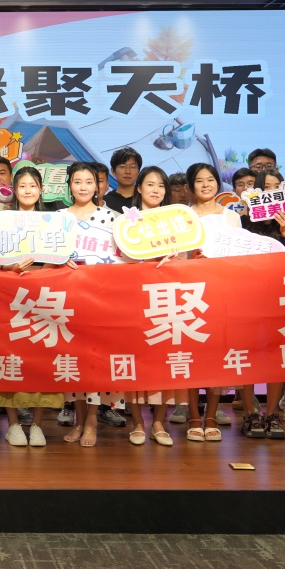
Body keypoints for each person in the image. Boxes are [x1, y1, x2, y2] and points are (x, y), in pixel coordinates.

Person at [0, 166, 66, 447]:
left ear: (41, 190)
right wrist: (10, 267)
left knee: (42, 358)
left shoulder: (54, 220)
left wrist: (46, 269)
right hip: (10, 294)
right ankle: (13, 424)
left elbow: (61, 255)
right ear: (14, 190)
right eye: (22, 186)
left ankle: (37, 423)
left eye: (33, 186)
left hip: (44, 294)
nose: (28, 191)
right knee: (8, 356)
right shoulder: (1, 220)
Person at [57, 162, 125, 446]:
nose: (83, 187)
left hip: (100, 298)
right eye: (77, 181)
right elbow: (48, 255)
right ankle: (78, 418)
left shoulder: (113, 218)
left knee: (96, 360)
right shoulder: (58, 218)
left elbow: (125, 258)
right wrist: (60, 260)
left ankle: (92, 421)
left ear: (98, 185)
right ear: (69, 185)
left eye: (89, 182)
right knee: (73, 359)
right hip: (67, 298)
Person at [183, 162, 242, 443]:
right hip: (190, 294)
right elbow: (176, 257)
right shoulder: (182, 216)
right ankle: (194, 414)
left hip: (222, 292)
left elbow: (240, 257)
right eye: (199, 180)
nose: (206, 185)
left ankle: (211, 415)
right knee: (192, 356)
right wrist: (191, 260)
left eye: (210, 179)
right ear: (190, 186)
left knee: (216, 356)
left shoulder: (231, 217)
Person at [245, 167, 285, 426]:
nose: (271, 192)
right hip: (247, 298)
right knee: (247, 353)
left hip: (280, 298)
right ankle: (250, 412)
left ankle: (272, 413)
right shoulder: (246, 222)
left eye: (276, 187)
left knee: (276, 354)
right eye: (266, 187)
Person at [122, 167, 177, 447]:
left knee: (164, 361)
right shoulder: (125, 221)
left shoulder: (176, 221)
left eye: (161, 185)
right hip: (134, 296)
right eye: (150, 184)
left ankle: (158, 422)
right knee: (135, 359)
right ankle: (137, 422)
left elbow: (186, 261)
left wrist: (176, 259)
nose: (156, 190)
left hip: (166, 297)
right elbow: (118, 259)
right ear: (139, 188)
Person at [102, 147, 142, 212]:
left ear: (138, 171)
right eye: (122, 166)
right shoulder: (104, 202)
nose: (128, 171)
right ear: (113, 171)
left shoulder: (146, 199)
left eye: (132, 167)